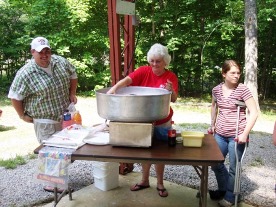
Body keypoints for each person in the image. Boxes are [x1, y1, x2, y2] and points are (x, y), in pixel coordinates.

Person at [107, 43, 178, 197]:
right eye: (152, 60)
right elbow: (126, 81)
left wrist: (170, 90)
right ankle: (144, 180)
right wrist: (113, 89)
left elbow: (174, 99)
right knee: (145, 151)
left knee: (160, 153)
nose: (154, 64)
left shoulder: (170, 76)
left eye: (158, 61)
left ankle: (160, 183)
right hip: (143, 119)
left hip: (163, 120)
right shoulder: (143, 71)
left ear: (165, 61)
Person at [8, 36, 78, 192]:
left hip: (65, 115)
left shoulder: (60, 62)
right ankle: (52, 185)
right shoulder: (26, 73)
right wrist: (22, 115)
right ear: (32, 52)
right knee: (51, 152)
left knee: (65, 149)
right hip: (44, 119)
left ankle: (57, 180)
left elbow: (73, 74)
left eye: (47, 51)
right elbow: (14, 96)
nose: (45, 55)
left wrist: (72, 92)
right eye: (40, 52)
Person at [208, 60, 258, 207]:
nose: (237, 76)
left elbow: (254, 112)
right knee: (215, 163)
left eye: (238, 73)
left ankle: (230, 197)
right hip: (220, 134)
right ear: (224, 74)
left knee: (234, 167)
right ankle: (224, 189)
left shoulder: (243, 90)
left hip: (237, 135)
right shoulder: (216, 90)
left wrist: (244, 134)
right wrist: (212, 124)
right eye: (232, 73)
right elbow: (213, 106)